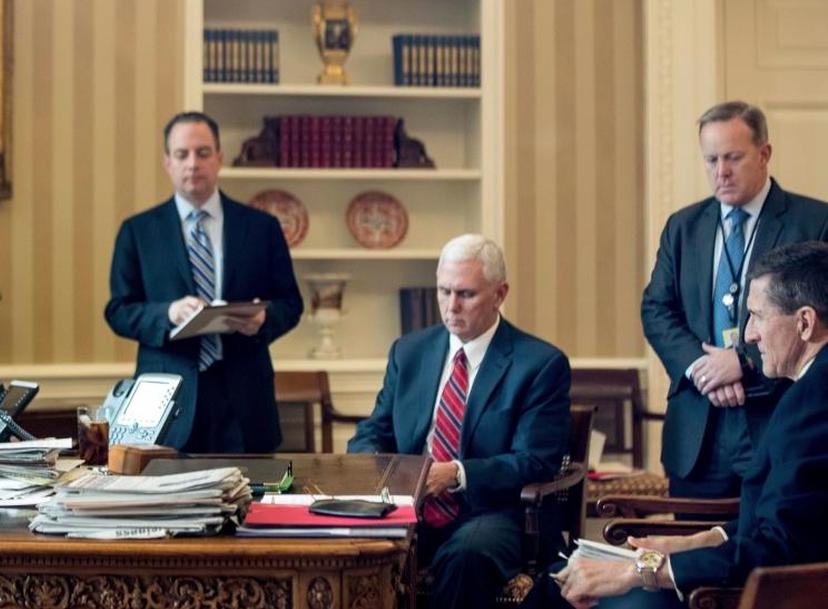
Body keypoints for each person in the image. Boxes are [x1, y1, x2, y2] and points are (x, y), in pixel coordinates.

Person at [555, 241, 828, 609]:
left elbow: (781, 549)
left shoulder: (811, 404)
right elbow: (791, 522)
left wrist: (641, 571)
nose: (747, 335)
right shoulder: (810, 389)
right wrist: (690, 542)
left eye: (758, 316)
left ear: (805, 322)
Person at [347, 234, 571, 609]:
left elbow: (535, 460)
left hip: (494, 511)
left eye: (466, 294)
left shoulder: (540, 364)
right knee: (347, 546)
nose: (451, 306)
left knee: (465, 555)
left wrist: (456, 474)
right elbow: (376, 429)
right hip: (409, 506)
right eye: (443, 291)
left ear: (500, 294)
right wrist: (375, 465)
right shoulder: (410, 351)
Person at [641, 100, 828, 499]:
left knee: (768, 547)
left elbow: (820, 319)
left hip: (775, 416)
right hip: (697, 430)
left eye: (733, 158)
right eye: (710, 160)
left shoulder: (814, 221)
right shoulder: (683, 226)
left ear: (764, 154)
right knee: (688, 553)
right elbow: (656, 308)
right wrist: (702, 367)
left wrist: (741, 361)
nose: (720, 172)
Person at [104, 111, 303, 453]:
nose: (193, 164)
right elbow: (118, 311)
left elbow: (291, 303)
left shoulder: (261, 227)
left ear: (220, 158)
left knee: (250, 503)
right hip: (167, 401)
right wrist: (168, 313)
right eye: (182, 155)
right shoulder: (138, 231)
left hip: (244, 397)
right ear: (168, 163)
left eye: (203, 153)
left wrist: (263, 320)